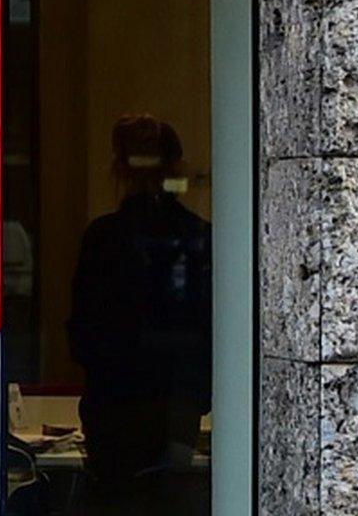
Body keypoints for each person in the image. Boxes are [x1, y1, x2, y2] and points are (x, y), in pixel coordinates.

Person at [66, 115, 212, 509]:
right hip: (170, 411)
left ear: (118, 168)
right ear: (175, 167)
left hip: (116, 412)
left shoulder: (105, 239)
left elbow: (82, 338)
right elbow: (208, 335)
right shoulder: (196, 237)